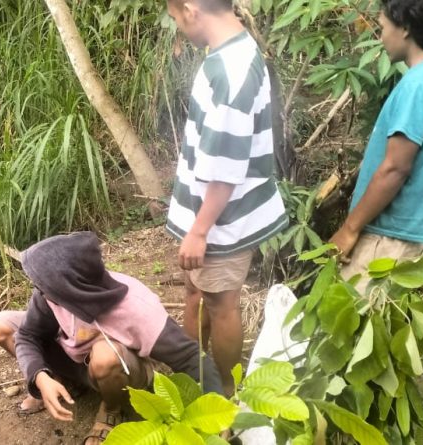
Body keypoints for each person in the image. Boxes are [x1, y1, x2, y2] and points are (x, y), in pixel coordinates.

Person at [0, 232, 223, 444]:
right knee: (1, 325)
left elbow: (191, 357)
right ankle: (58, 383)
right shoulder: (50, 295)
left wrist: (220, 416)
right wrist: (39, 376)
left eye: (42, 286)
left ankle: (112, 408)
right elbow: (29, 335)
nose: (37, 290)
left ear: (69, 288)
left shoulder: (135, 310)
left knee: (104, 357)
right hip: (75, 356)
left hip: (119, 368)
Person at [164, 0, 288, 396]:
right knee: (197, 293)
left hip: (220, 220)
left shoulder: (232, 72)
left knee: (221, 304)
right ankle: (191, 380)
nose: (178, 26)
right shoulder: (229, 52)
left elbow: (226, 168)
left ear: (191, 9)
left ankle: (222, 397)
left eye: (175, 17)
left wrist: (199, 231)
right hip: (208, 217)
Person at [330, 0, 423, 289]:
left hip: (389, 239)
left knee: (349, 324)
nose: (380, 36)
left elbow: (395, 168)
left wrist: (349, 229)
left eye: (382, 27)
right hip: (413, 232)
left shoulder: (417, 85)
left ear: (405, 29)